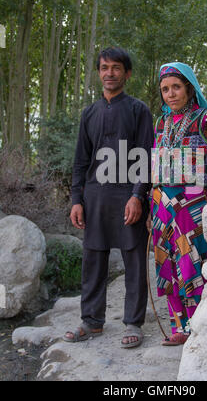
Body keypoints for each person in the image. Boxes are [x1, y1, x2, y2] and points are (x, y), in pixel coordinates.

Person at [64, 47, 154, 348]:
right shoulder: (89, 113)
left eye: (116, 68)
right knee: (93, 258)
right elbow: (81, 160)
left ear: (127, 74)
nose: (110, 73)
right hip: (95, 196)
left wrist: (138, 196)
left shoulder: (139, 110)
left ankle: (133, 322)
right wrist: (76, 198)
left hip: (128, 195)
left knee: (134, 259)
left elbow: (146, 157)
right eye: (104, 68)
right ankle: (91, 320)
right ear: (98, 73)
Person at [149, 62, 207, 346]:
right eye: (165, 89)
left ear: (189, 87)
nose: (170, 94)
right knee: (169, 266)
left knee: (194, 265)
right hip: (163, 208)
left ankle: (202, 324)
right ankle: (181, 328)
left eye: (176, 87)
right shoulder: (161, 124)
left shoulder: (205, 119)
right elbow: (157, 166)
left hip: (193, 210)